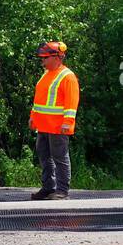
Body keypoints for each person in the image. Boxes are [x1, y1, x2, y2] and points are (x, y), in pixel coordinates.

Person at [29, 41, 79, 200]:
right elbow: (39, 99)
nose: (42, 61)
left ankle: (62, 191)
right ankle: (48, 188)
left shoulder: (67, 76)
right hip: (43, 125)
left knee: (60, 158)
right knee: (44, 157)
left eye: (45, 58)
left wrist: (68, 123)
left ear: (57, 57)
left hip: (58, 127)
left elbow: (72, 103)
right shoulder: (47, 73)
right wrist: (33, 117)